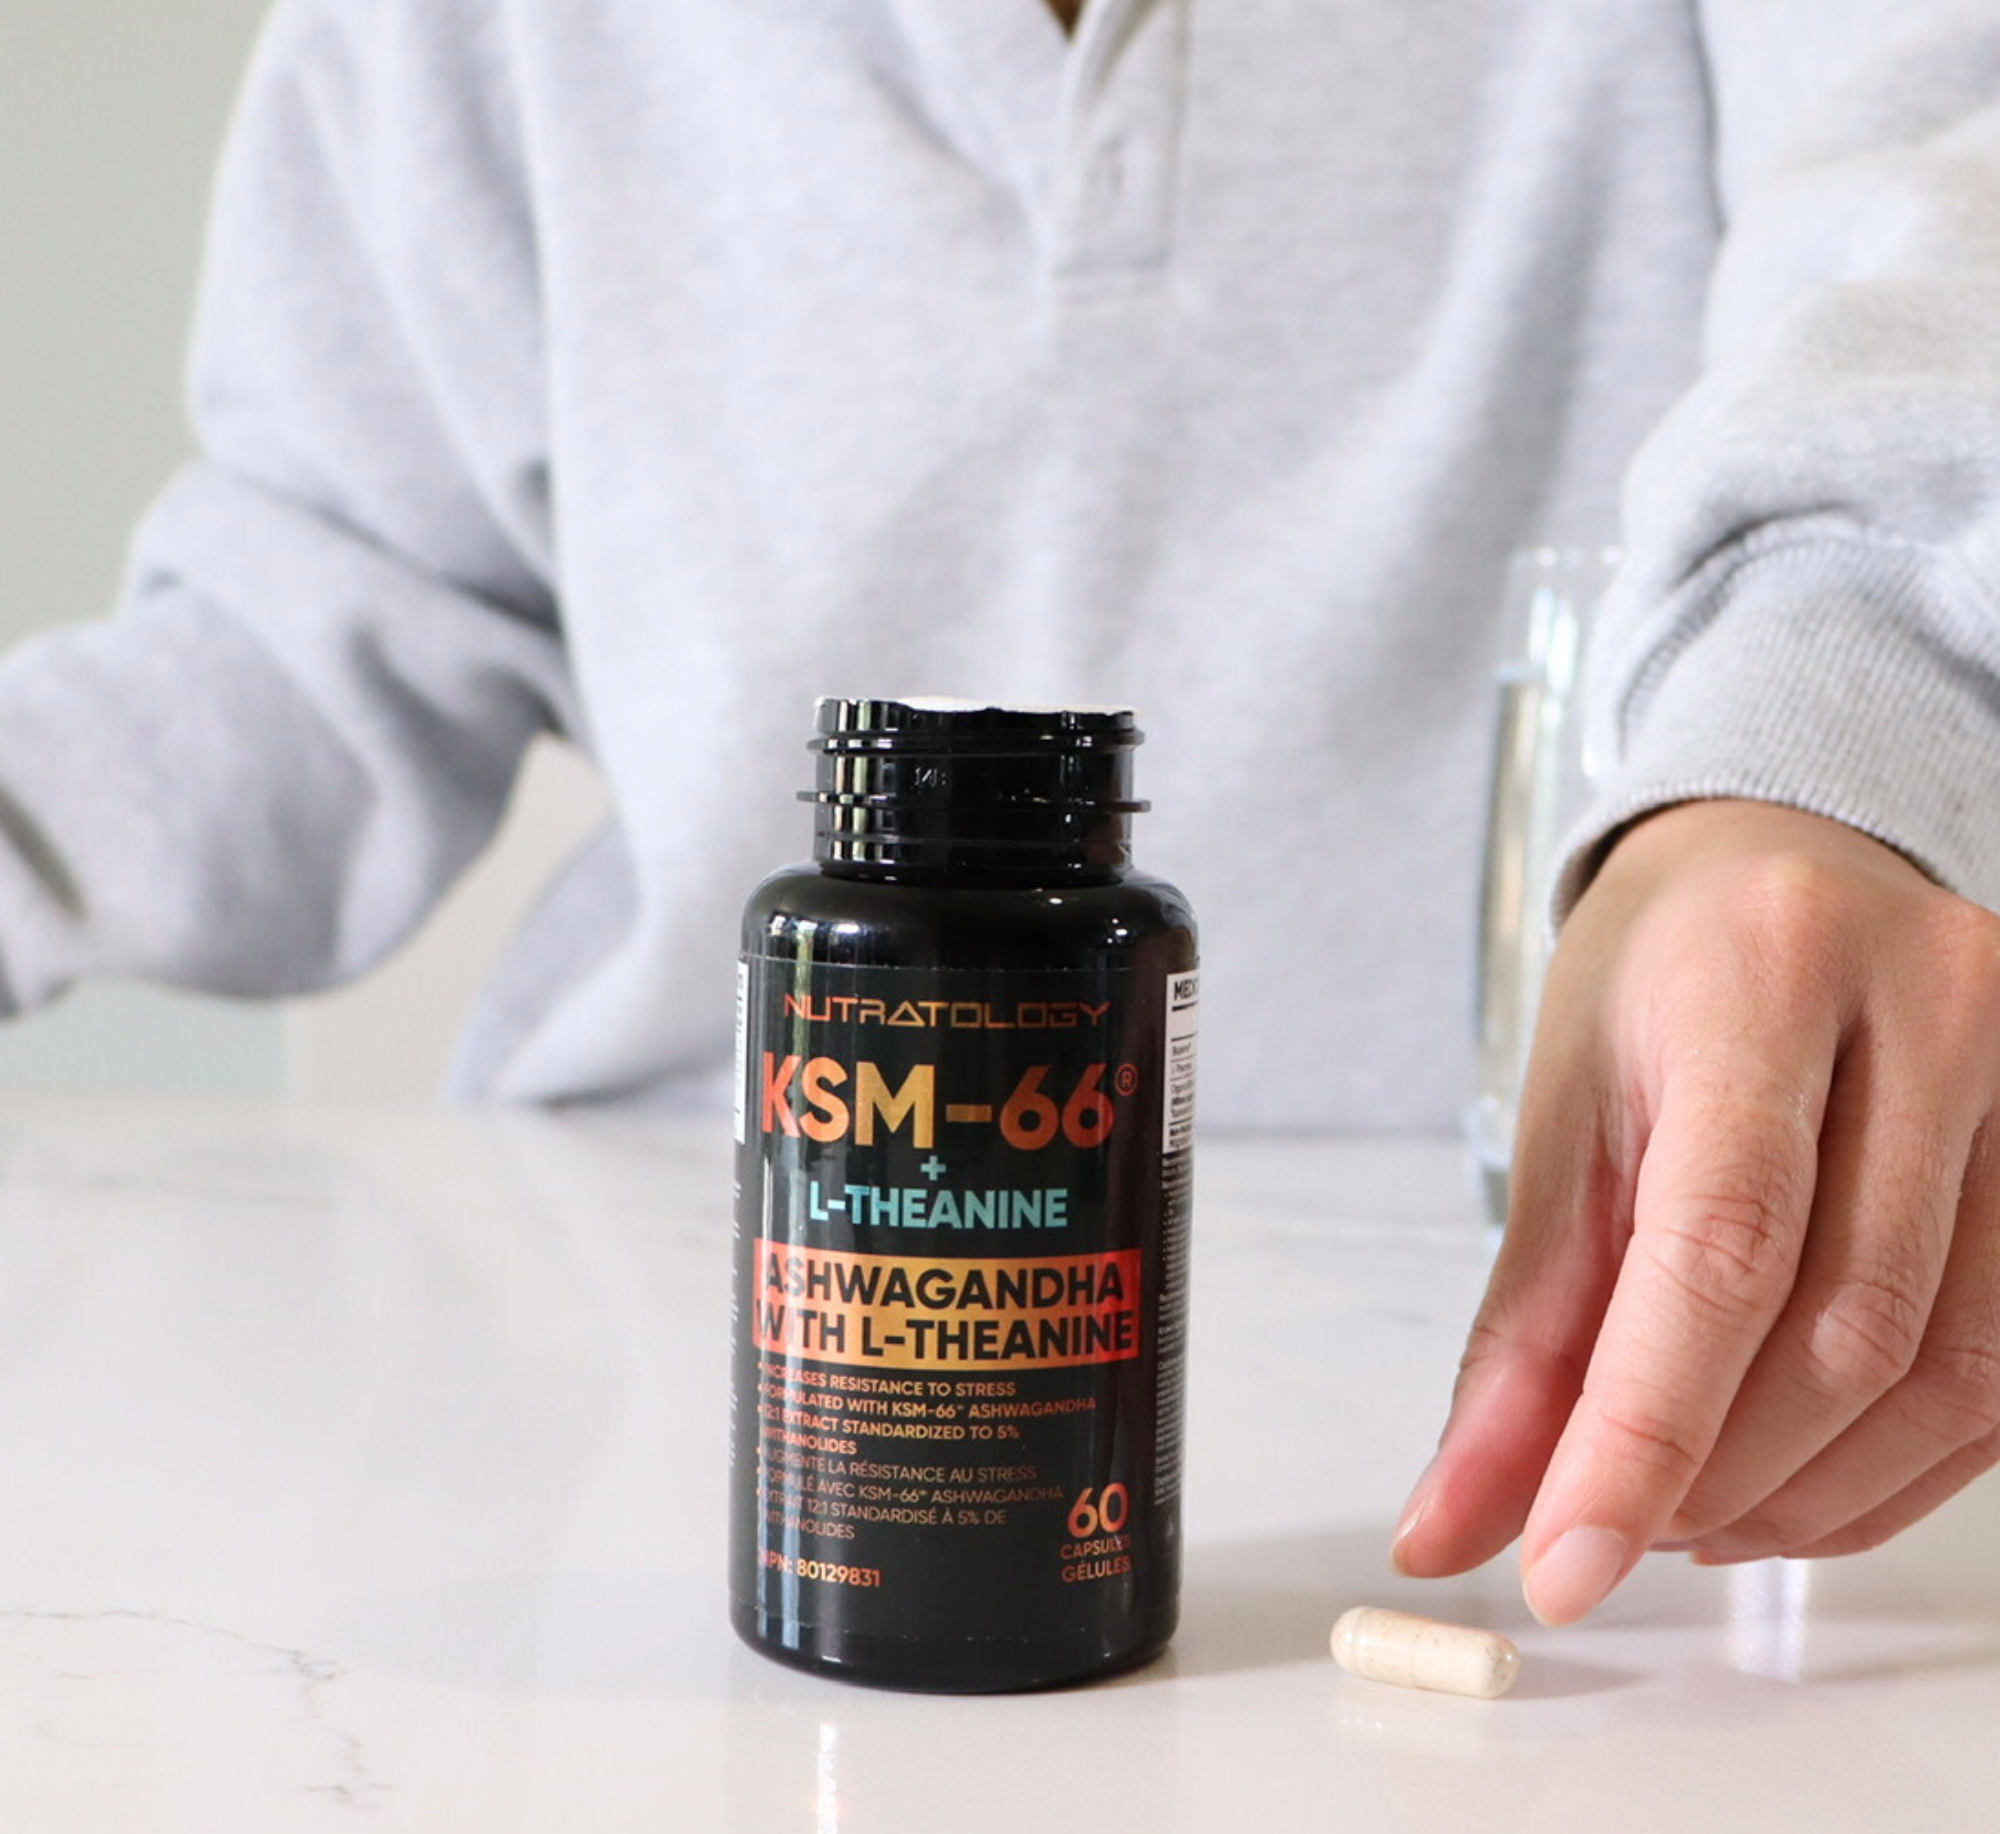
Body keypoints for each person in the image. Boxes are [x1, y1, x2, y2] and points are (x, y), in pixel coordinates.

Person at [3, 0, 1998, 1625]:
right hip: (622, 1331)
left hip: (1560, 1303)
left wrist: (1826, 752)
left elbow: (1938, 218)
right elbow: (310, 621)